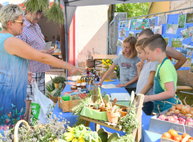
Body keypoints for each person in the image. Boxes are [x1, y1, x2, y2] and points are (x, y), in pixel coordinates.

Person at [0, 4, 81, 127]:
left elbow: (10, 61)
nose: (23, 26)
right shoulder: (11, 41)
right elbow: (42, 58)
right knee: (10, 132)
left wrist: (23, 71)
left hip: (7, 92)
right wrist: (71, 67)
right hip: (10, 97)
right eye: (21, 23)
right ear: (10, 23)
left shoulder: (3, 38)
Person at [16, 9, 56, 121]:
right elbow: (20, 51)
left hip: (40, 68)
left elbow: (37, 45)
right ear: (28, 10)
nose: (39, 17)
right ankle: (24, 128)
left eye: (40, 13)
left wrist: (46, 51)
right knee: (28, 101)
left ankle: (37, 125)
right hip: (29, 70)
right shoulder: (21, 26)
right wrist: (40, 53)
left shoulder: (36, 26)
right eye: (36, 13)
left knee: (38, 100)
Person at [143, 34, 179, 113]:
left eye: (148, 53)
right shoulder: (160, 64)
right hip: (161, 108)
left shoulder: (165, 67)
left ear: (157, 51)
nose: (147, 56)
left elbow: (170, 92)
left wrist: (148, 98)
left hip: (167, 109)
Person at [135, 38, 158, 115]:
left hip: (147, 100)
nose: (138, 55)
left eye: (140, 53)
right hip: (141, 96)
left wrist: (139, 97)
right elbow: (141, 80)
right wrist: (139, 69)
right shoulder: (146, 63)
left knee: (143, 119)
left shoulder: (154, 63)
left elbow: (150, 83)